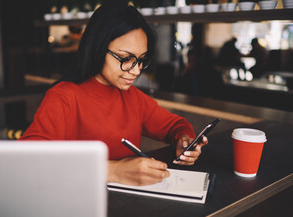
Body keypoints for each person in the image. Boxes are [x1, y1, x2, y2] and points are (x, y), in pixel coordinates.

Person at [19, 1, 208, 186]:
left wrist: (184, 140)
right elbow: (27, 161)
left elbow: (175, 125)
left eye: (142, 60)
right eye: (126, 58)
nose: (136, 71)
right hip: (77, 205)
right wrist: (114, 171)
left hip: (129, 206)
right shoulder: (64, 97)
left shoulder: (132, 97)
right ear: (98, 48)